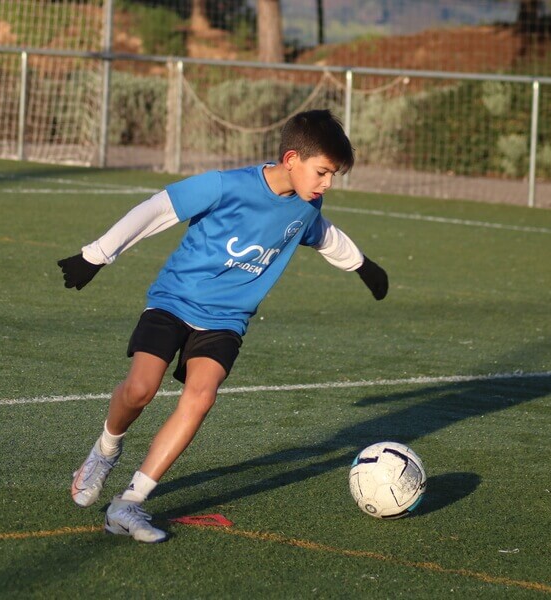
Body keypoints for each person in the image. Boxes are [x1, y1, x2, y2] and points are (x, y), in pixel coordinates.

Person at [57, 109, 388, 543]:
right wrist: (96, 255)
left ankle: (128, 504)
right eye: (323, 172)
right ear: (292, 158)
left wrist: (363, 266)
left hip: (226, 320)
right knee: (141, 389)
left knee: (201, 396)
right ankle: (104, 452)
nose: (327, 184)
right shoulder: (224, 185)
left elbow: (323, 234)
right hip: (175, 301)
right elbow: (158, 209)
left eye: (332, 176)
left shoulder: (308, 208)